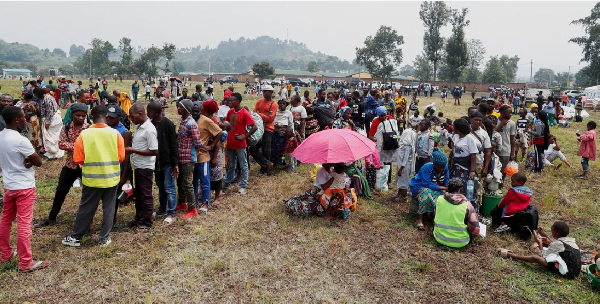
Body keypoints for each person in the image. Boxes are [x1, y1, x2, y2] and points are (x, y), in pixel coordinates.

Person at [62, 105, 125, 248]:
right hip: (111, 178)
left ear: (91, 115)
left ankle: (76, 236)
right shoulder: (116, 134)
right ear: (107, 117)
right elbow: (121, 157)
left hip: (92, 179)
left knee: (86, 207)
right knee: (109, 208)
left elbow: (78, 158)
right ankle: (104, 238)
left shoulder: (84, 135)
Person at [0, 106, 50, 272]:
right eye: (22, 117)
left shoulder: (1, 136)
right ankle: (26, 262)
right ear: (16, 119)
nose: (25, 120)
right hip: (24, 187)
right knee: (24, 224)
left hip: (9, 186)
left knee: (6, 220)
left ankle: (5, 253)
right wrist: (30, 161)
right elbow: (38, 161)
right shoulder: (21, 140)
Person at [34, 104, 89, 228]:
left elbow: (89, 146)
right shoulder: (67, 127)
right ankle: (52, 217)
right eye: (78, 115)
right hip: (70, 165)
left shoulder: (89, 129)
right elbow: (61, 144)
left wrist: (73, 145)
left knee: (87, 194)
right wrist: (79, 146)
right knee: (60, 192)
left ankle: (87, 221)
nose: (80, 118)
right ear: (72, 114)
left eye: (83, 116)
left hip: (85, 167)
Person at [499, 222, 581, 280]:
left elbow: (543, 255)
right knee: (546, 247)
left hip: (567, 273)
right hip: (575, 272)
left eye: (552, 231)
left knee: (536, 258)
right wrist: (545, 236)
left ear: (556, 233)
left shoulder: (559, 244)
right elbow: (557, 246)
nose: (551, 232)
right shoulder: (571, 241)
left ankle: (510, 255)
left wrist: (540, 243)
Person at [127, 104, 158, 231]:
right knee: (138, 194)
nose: (130, 119)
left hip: (145, 167)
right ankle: (139, 218)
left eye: (132, 116)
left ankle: (147, 222)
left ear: (140, 114)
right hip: (137, 165)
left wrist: (132, 150)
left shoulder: (149, 129)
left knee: (145, 195)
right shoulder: (140, 127)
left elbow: (154, 150)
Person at [147, 102, 178, 224]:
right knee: (161, 186)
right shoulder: (150, 125)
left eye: (149, 111)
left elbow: (173, 145)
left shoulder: (168, 124)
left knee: (169, 187)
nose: (147, 114)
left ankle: (171, 213)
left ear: (156, 112)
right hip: (156, 163)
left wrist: (175, 163)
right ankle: (162, 209)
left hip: (167, 162)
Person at [191, 100, 223, 215]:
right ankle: (193, 202)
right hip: (191, 157)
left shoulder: (206, 121)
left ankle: (205, 202)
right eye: (193, 111)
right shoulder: (189, 120)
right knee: (193, 181)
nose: (195, 113)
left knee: (204, 180)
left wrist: (211, 146)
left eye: (197, 111)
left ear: (201, 111)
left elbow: (220, 133)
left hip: (202, 157)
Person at [224, 93, 257, 195]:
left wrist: (245, 136)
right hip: (230, 144)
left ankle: (243, 186)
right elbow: (227, 124)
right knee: (231, 165)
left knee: (243, 166)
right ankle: (226, 183)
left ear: (238, 101)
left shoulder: (245, 113)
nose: (230, 102)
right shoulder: (230, 112)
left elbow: (254, 126)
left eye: (232, 100)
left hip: (240, 145)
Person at [176, 100, 206, 213]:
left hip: (188, 158)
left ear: (186, 109)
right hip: (181, 156)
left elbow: (197, 142)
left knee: (187, 184)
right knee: (180, 182)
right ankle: (182, 203)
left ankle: (192, 209)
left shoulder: (191, 123)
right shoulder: (183, 121)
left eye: (180, 107)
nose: (178, 109)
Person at [433, 177, 480, 248]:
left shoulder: (439, 199)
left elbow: (435, 216)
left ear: (447, 189)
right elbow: (475, 230)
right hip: (461, 242)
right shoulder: (467, 205)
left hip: (439, 238)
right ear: (461, 190)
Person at [409, 148, 450, 230]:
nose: (442, 169)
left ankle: (436, 217)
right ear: (434, 165)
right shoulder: (427, 167)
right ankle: (419, 219)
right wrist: (444, 188)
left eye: (443, 167)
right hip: (419, 186)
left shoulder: (445, 168)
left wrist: (446, 191)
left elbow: (446, 182)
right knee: (427, 194)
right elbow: (426, 184)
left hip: (435, 187)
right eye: (440, 167)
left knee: (445, 197)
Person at [449, 118, 478, 206]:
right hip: (456, 167)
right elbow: (453, 144)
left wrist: (472, 170)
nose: (453, 129)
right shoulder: (456, 136)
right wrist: (455, 154)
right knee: (455, 188)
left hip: (466, 168)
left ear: (459, 129)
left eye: (454, 127)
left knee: (466, 189)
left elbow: (473, 155)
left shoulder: (469, 138)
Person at [251, 85, 277, 175]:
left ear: (271, 92)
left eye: (267, 91)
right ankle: (267, 164)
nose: (264, 93)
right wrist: (264, 115)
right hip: (259, 128)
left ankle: (264, 169)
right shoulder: (259, 101)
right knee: (253, 149)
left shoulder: (274, 104)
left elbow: (270, 119)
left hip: (268, 128)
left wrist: (260, 114)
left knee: (266, 149)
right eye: (264, 91)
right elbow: (254, 114)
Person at [34, 87, 64, 159]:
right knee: (55, 136)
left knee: (50, 137)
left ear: (38, 93)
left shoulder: (47, 99)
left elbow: (50, 112)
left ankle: (52, 153)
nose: (35, 96)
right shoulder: (49, 97)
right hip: (56, 118)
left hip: (52, 120)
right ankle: (55, 152)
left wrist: (48, 123)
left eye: (35, 94)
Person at [495, 105, 516, 184]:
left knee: (503, 171)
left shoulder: (512, 124)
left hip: (506, 151)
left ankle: (500, 185)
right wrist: (501, 125)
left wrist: (512, 153)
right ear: (502, 112)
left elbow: (512, 139)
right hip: (495, 150)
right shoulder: (495, 121)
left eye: (511, 113)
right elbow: (493, 134)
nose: (510, 114)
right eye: (508, 113)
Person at [395, 125, 416, 203]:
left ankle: (404, 197)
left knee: (404, 182)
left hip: (404, 167)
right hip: (402, 166)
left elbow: (405, 158)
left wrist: (401, 169)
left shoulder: (407, 146)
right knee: (400, 180)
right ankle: (399, 194)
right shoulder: (403, 145)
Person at [271, 99, 294, 168]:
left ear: (286, 105)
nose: (281, 105)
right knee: (274, 147)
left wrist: (292, 132)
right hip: (275, 130)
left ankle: (286, 163)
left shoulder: (288, 113)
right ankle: (275, 162)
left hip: (284, 132)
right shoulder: (276, 112)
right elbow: (272, 121)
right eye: (280, 103)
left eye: (283, 104)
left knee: (284, 148)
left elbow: (291, 123)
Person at [469, 111, 492, 179]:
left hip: (478, 162)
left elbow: (488, 151)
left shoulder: (484, 133)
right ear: (471, 119)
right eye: (476, 120)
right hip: (465, 161)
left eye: (480, 120)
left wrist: (486, 167)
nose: (478, 122)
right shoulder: (465, 130)